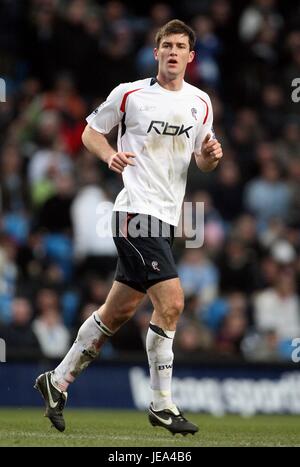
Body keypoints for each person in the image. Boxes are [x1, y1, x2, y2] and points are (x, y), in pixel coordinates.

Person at [34, 19, 223, 436]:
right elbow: (90, 132)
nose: (173, 52)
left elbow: (202, 160)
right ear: (156, 52)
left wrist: (211, 154)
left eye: (180, 47)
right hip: (135, 213)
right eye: (166, 46)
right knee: (171, 303)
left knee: (117, 312)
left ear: (191, 56)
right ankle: (162, 404)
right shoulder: (130, 94)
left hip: (168, 220)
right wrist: (108, 156)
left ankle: (57, 380)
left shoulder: (200, 103)